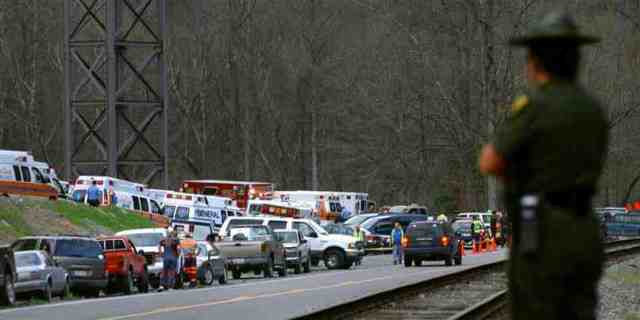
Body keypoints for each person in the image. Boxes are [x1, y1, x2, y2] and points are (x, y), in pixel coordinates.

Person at [479, 11, 607, 320]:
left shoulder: (535, 105)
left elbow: (490, 161)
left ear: (536, 62)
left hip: (542, 230)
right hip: (585, 228)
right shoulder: (592, 109)